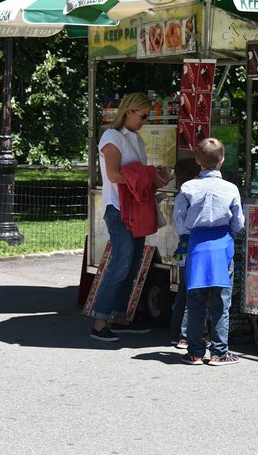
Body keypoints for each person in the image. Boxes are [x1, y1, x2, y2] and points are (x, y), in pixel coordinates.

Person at [88, 92, 170, 342]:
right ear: (128, 112)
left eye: (147, 117)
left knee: (132, 264)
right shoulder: (112, 136)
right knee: (120, 264)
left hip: (135, 208)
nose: (144, 121)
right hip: (119, 209)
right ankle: (100, 321)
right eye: (143, 116)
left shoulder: (134, 137)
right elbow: (113, 175)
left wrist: (153, 177)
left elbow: (132, 175)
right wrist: (146, 176)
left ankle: (119, 316)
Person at [173, 138, 244, 366]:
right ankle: (218, 353)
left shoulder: (187, 188)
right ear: (221, 160)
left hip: (197, 247)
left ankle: (194, 352)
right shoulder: (231, 189)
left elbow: (179, 220)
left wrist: (189, 233)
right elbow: (239, 223)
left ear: (197, 161)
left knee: (195, 301)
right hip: (222, 246)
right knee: (221, 303)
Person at [168, 157, 202, 351]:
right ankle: (184, 335)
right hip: (193, 244)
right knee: (193, 292)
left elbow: (179, 223)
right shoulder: (192, 193)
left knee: (183, 292)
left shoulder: (182, 193)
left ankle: (175, 333)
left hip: (183, 245)